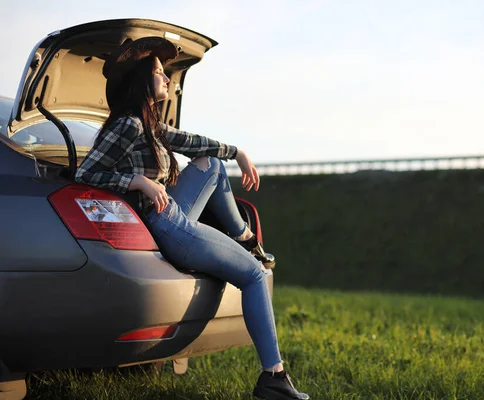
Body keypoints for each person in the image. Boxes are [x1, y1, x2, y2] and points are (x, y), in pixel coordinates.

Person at [75, 36, 309, 400]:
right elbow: (85, 174)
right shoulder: (128, 125)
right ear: (141, 80)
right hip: (166, 226)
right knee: (253, 275)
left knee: (211, 164)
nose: (166, 78)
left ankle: (245, 237)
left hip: (172, 217)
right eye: (158, 72)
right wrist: (137, 181)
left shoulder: (148, 124)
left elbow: (191, 142)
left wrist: (237, 152)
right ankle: (273, 378)